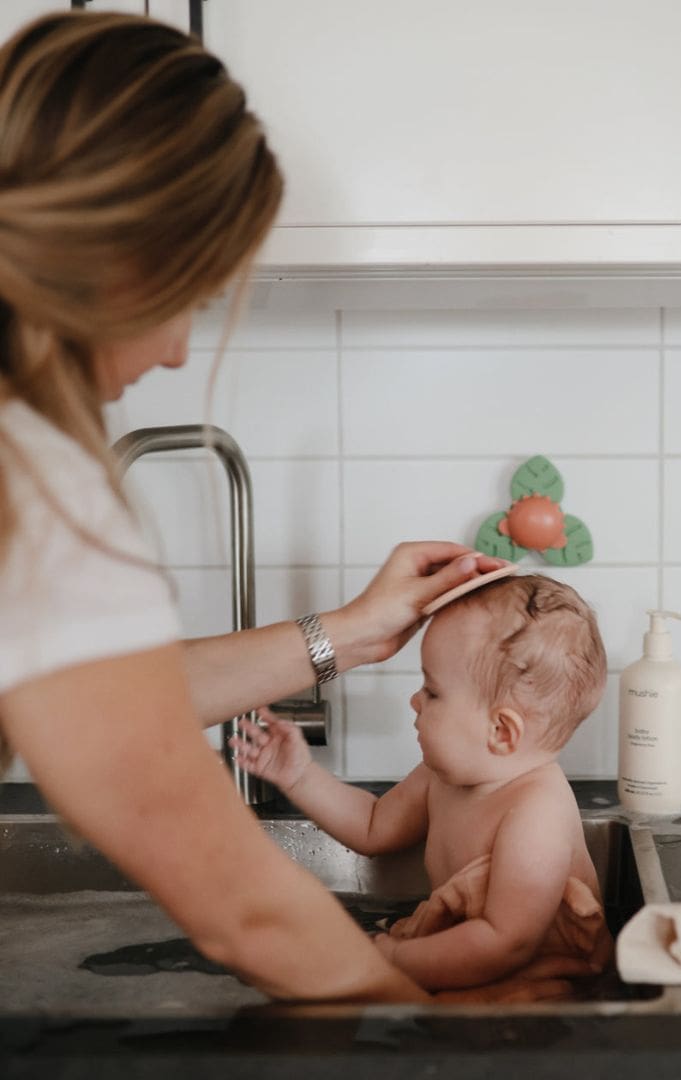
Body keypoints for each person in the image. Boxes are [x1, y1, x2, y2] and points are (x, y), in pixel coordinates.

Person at [0, 10, 509, 1004]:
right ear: (122, 259)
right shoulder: (34, 483)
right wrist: (441, 1037)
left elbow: (94, 688)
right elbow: (238, 904)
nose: (180, 353)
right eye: (189, 295)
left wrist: (349, 635)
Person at [231, 574, 613, 996]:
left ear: (501, 731)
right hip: (460, 960)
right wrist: (300, 776)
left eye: (432, 692)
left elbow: (505, 943)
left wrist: (386, 960)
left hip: (530, 986)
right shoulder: (443, 774)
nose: (415, 700)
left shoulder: (536, 813)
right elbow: (374, 826)